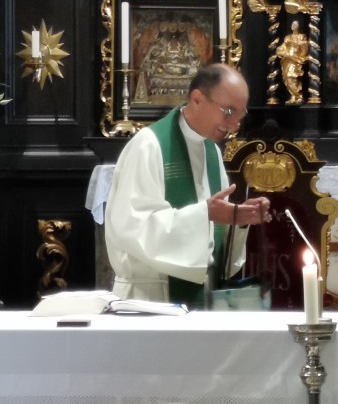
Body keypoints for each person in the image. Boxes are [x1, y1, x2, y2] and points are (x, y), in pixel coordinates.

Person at [105, 64, 271, 306]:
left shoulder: (212, 152)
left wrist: (239, 218)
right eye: (228, 112)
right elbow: (134, 229)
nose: (235, 125)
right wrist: (205, 214)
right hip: (150, 298)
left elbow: (213, 246)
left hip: (201, 297)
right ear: (197, 99)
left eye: (240, 115)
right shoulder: (148, 146)